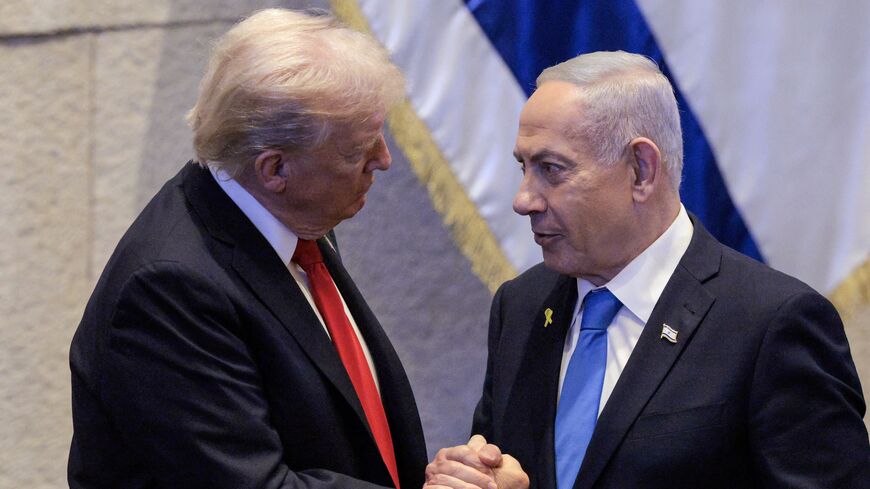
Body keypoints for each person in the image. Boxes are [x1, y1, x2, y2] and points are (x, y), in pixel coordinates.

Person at [425, 51, 869, 489]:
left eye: (551, 169)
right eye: (524, 168)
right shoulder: (520, 307)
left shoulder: (771, 323)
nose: (524, 200)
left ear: (641, 170)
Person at [68, 8, 427, 488]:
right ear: (275, 169)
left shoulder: (288, 219)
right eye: (355, 152)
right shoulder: (169, 288)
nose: (382, 160)